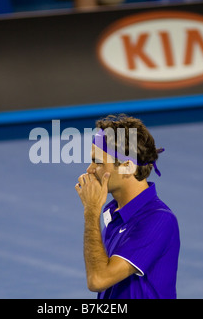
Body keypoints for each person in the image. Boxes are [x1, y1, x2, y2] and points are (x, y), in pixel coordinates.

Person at [75, 114, 180, 299]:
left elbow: (98, 280)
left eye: (98, 161)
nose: (90, 169)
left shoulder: (159, 221)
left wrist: (91, 212)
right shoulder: (114, 212)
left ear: (127, 166)